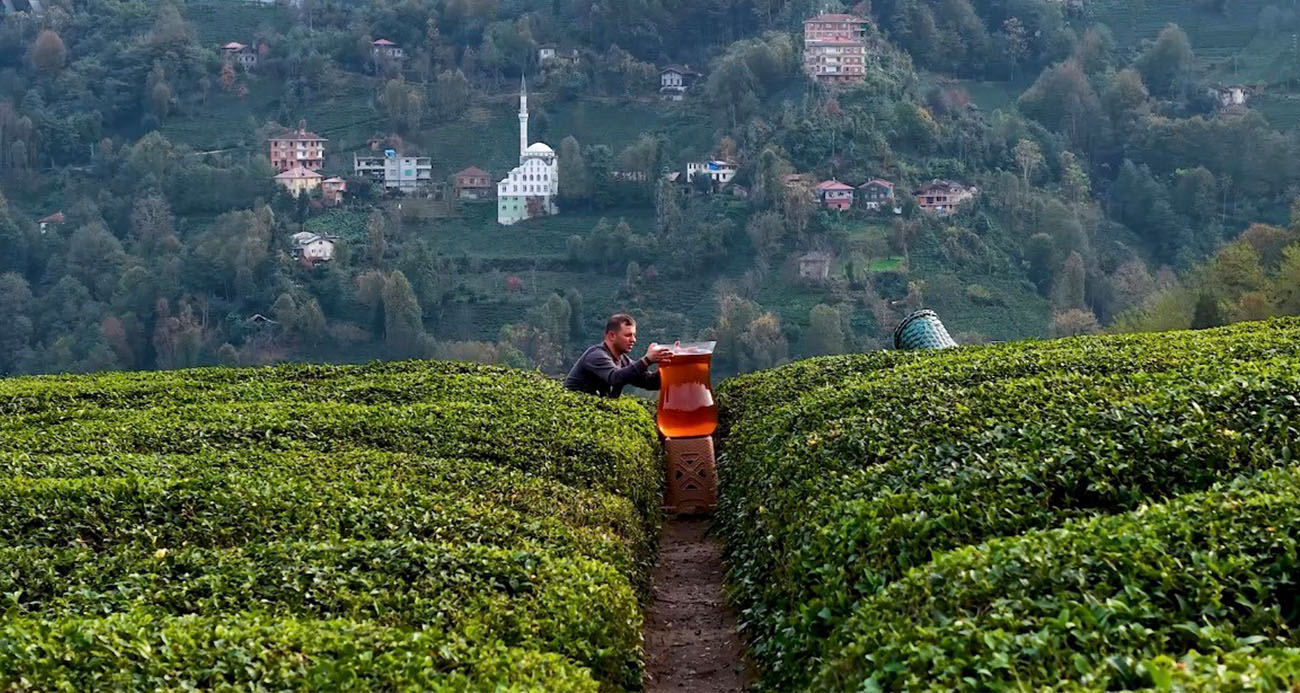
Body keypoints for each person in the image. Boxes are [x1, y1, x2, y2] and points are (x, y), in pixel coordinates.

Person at [564, 313, 673, 398]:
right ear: (612, 336)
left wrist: (672, 361)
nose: (633, 340)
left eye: (634, 335)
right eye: (628, 335)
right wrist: (647, 360)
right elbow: (615, 378)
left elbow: (651, 383)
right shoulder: (596, 355)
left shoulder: (623, 360)